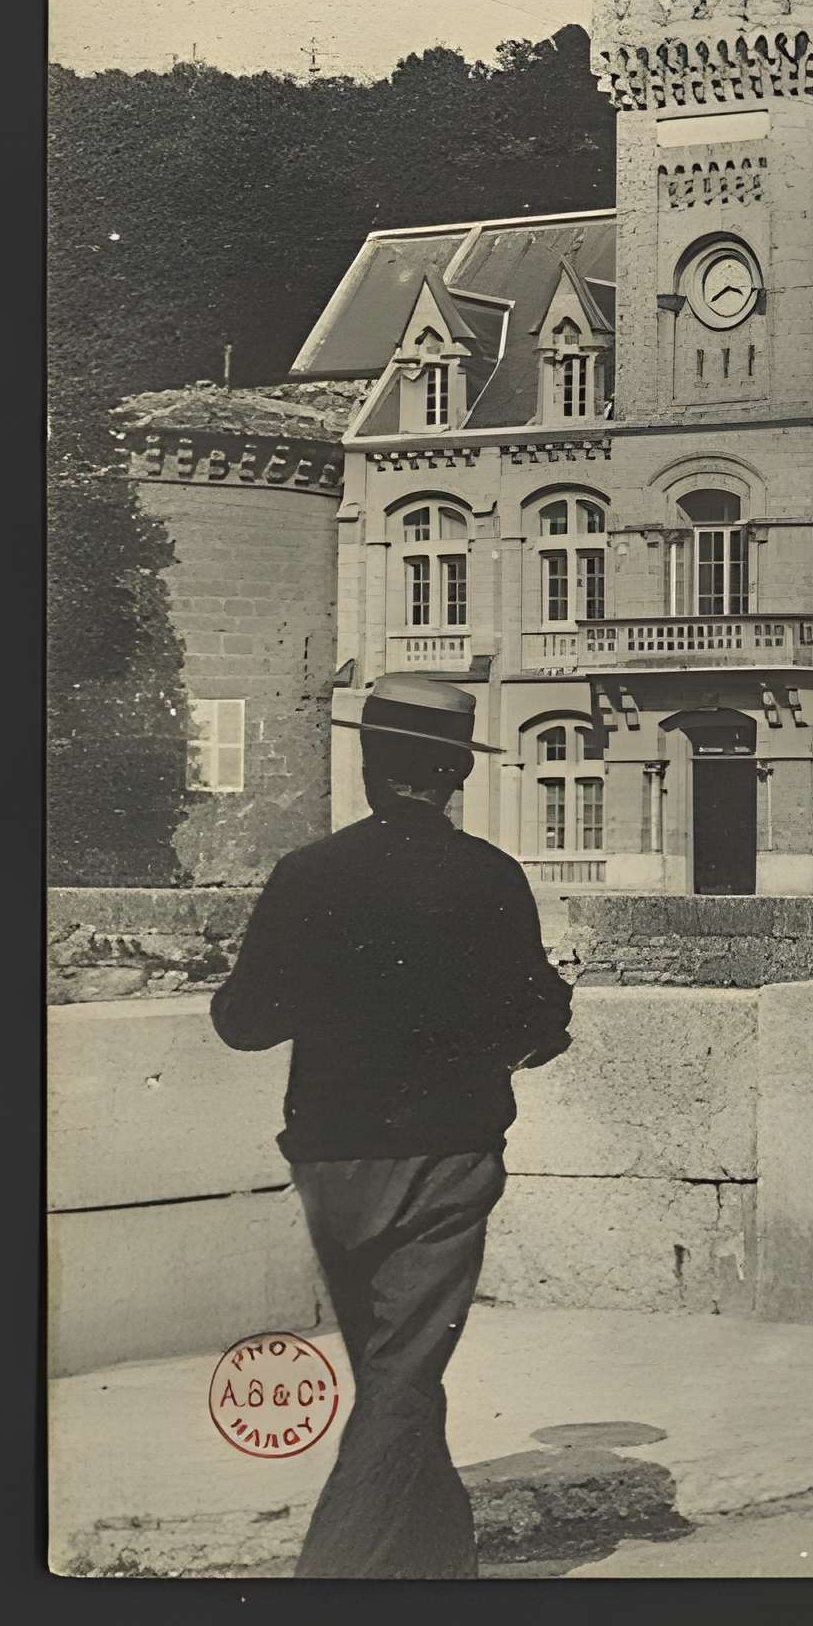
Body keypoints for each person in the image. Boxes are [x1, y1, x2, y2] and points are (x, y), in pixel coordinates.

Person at [211, 676, 575, 1579]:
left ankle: (442, 1570)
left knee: (389, 1371)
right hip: (447, 1160)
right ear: (457, 772)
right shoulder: (492, 876)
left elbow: (243, 1022)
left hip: (331, 1162)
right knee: (403, 1375)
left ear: (370, 765)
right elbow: (539, 1022)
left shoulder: (309, 874)